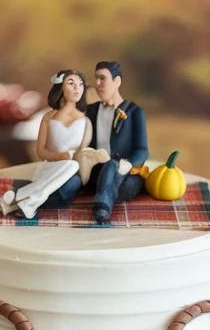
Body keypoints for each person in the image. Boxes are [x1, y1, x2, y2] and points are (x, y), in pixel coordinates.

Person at [49, 60, 148, 224]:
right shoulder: (90, 111)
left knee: (112, 167)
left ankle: (102, 209)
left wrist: (128, 164)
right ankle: (43, 200)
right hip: (93, 171)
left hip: (122, 175)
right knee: (72, 180)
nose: (97, 84)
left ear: (117, 82)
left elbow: (142, 149)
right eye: (96, 78)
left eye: (103, 78)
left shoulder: (134, 111)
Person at [0, 69, 94, 218]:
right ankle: (26, 202)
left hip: (71, 171)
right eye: (71, 83)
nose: (77, 88)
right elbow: (41, 152)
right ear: (60, 87)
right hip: (51, 168)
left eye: (80, 84)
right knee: (70, 169)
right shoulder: (48, 117)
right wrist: (58, 156)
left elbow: (84, 151)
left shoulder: (86, 120)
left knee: (70, 180)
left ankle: (19, 197)